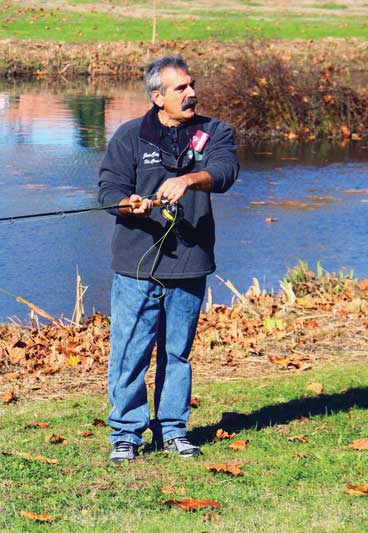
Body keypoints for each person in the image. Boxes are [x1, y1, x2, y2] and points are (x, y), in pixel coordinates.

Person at [97, 55, 239, 464]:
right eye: (181, 88)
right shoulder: (129, 137)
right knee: (130, 352)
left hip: (191, 263)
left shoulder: (214, 132)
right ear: (158, 97)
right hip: (136, 266)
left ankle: (174, 431)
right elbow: (108, 191)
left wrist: (188, 179)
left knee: (177, 353)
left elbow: (226, 172)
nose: (192, 93)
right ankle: (126, 433)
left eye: (192, 85)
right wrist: (129, 205)